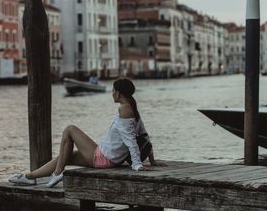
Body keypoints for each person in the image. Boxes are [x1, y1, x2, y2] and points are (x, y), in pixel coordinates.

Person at [9, 78, 164, 188]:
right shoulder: (132, 108)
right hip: (108, 157)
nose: (111, 93)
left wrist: (137, 165)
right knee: (64, 156)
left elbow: (132, 140)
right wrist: (151, 159)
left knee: (69, 129)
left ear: (118, 93)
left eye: (112, 90)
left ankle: (57, 174)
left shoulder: (124, 109)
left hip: (104, 157)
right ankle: (29, 177)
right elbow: (144, 135)